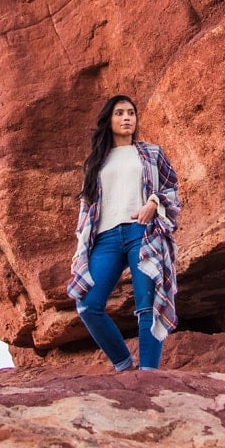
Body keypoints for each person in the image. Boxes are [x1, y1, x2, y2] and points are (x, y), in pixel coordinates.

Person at [67, 95, 180, 371]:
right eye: (119, 113)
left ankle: (149, 375)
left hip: (141, 234)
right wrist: (83, 244)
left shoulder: (151, 153)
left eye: (131, 113)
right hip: (105, 238)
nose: (127, 118)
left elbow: (172, 188)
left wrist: (154, 203)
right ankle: (124, 365)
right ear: (109, 121)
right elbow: (89, 207)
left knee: (147, 306)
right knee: (88, 305)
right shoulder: (96, 162)